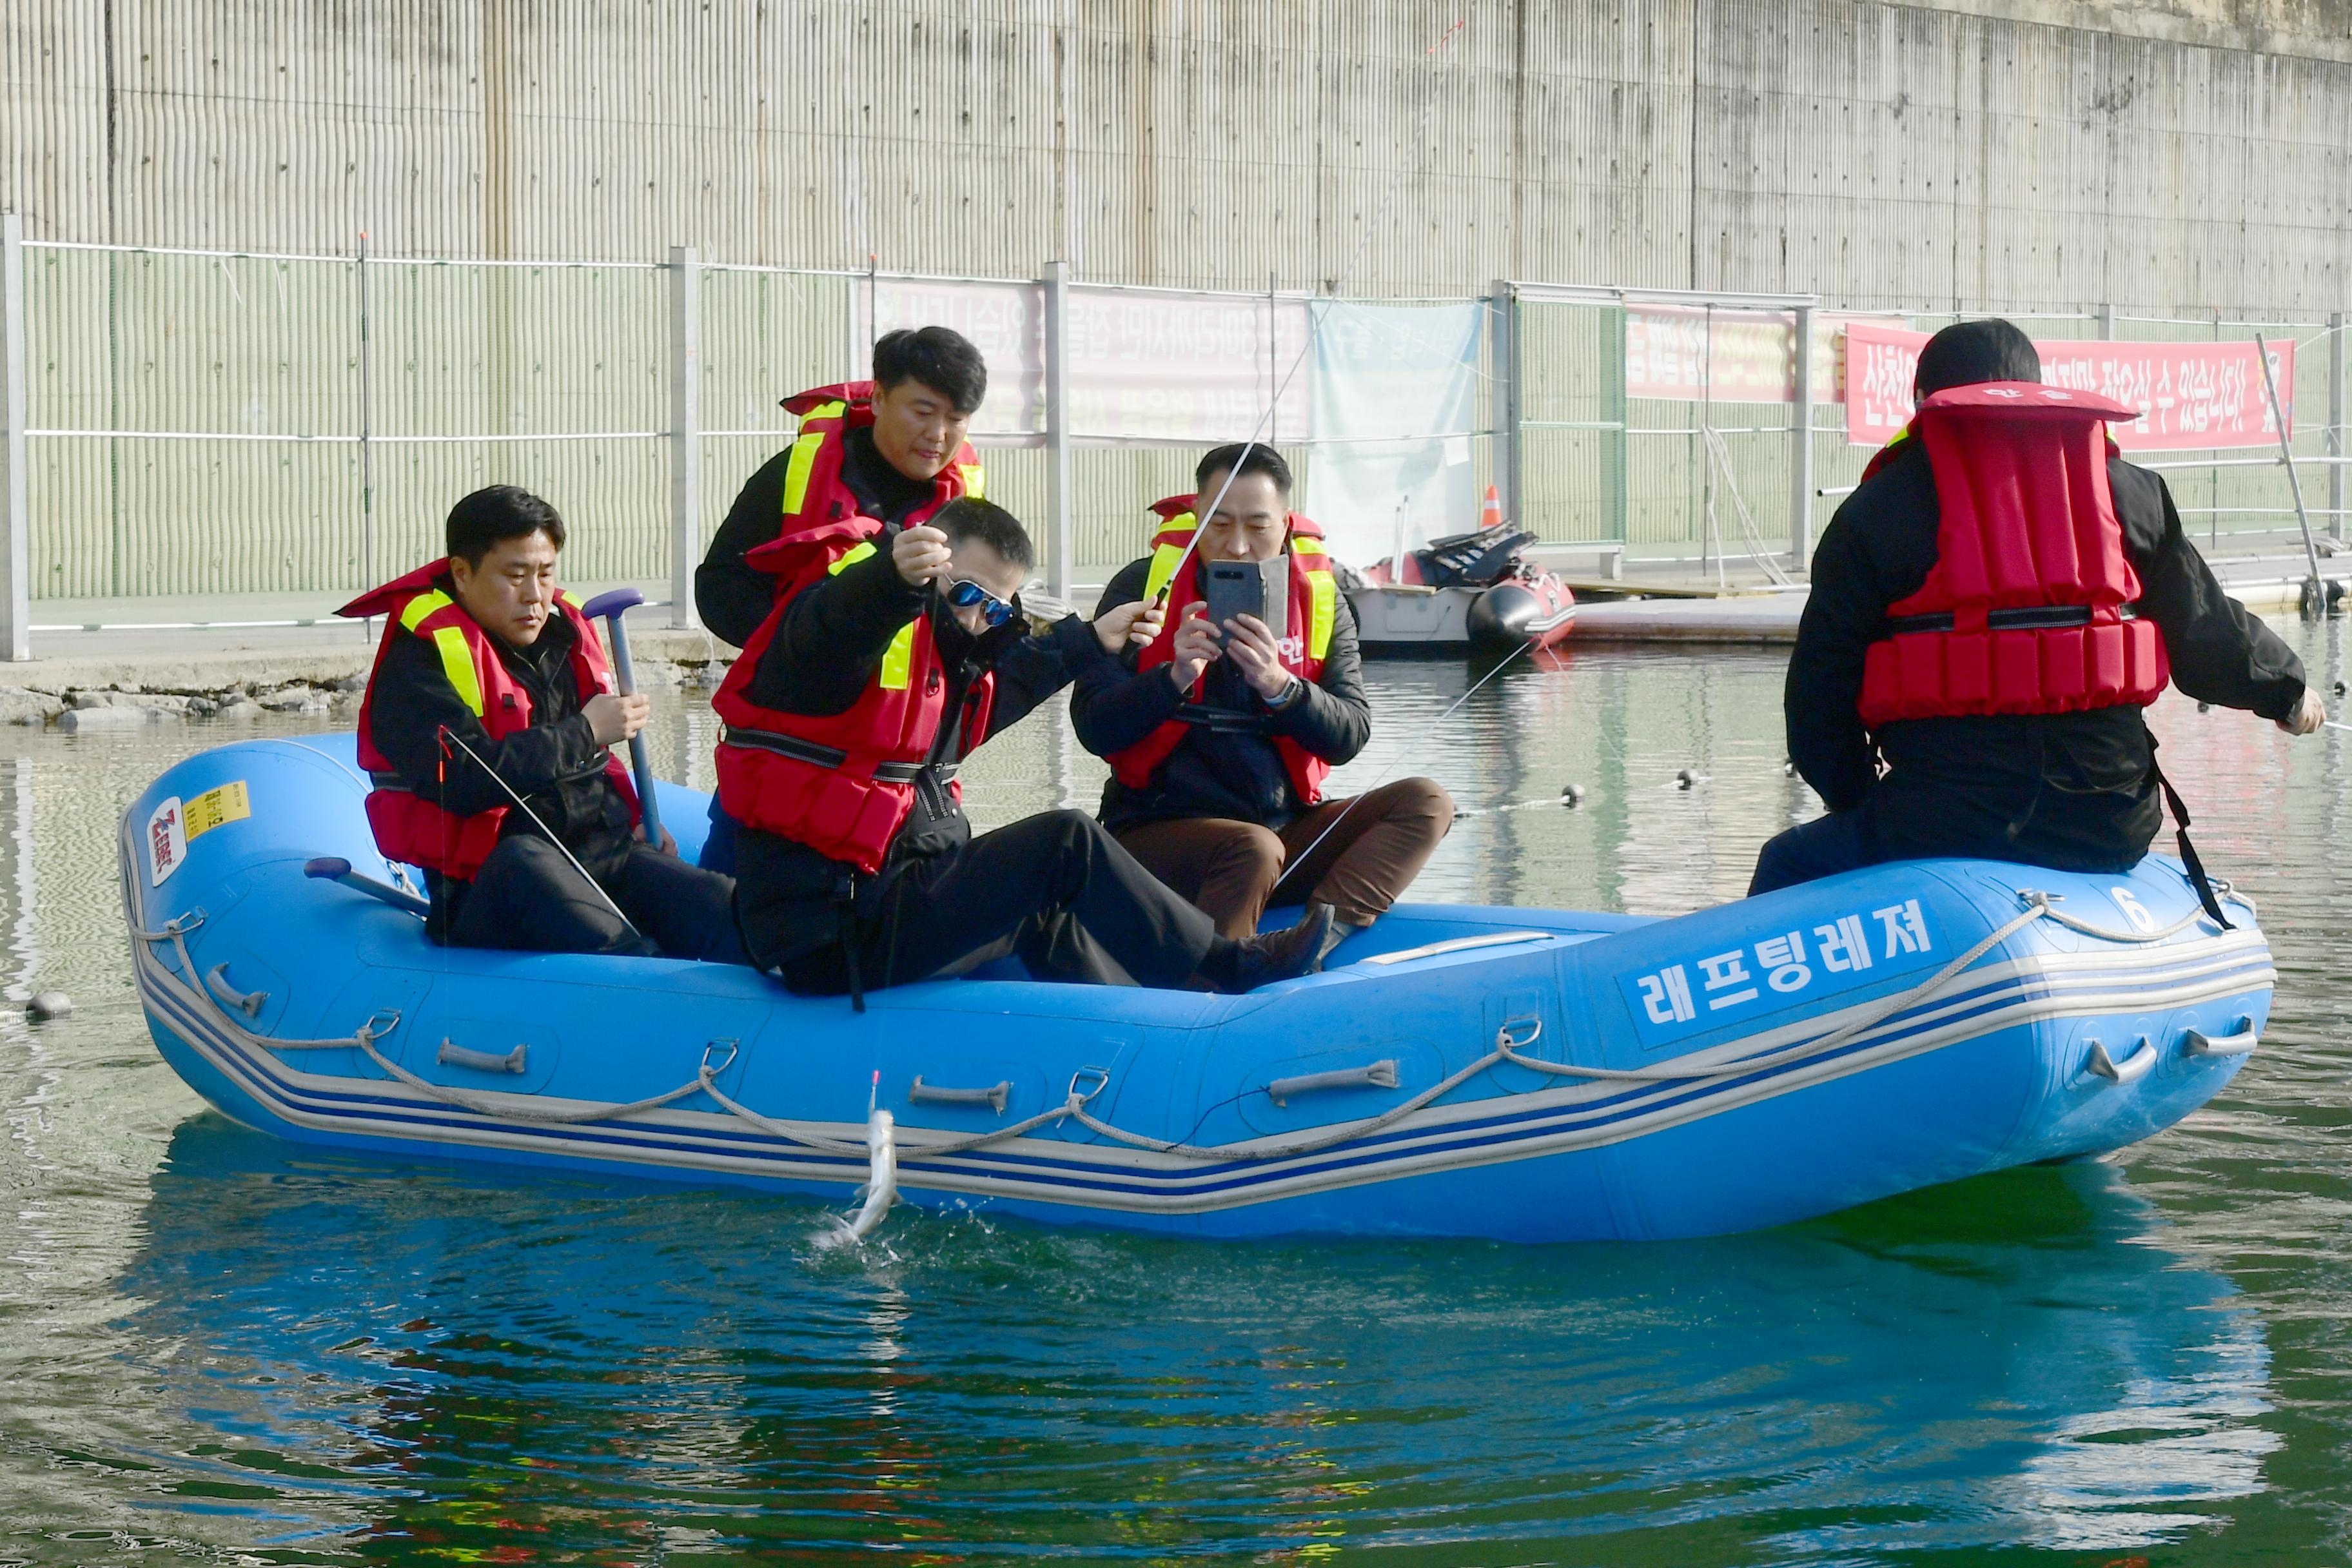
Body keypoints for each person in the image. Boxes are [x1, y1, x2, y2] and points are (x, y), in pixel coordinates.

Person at [1754, 318, 2321, 902]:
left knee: (1787, 863)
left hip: (1941, 826)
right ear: (2037, 391)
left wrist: (1857, 802)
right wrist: (2288, 692)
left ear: (1925, 405)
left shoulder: (1875, 512)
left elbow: (1820, 696)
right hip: (2111, 824)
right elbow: (2207, 635)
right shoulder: (2131, 493)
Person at [717, 494, 1333, 1001]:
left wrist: (1091, 640)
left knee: (1045, 912)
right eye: (964, 596)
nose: (978, 620)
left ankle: (1160, 1026)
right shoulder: (828, 661)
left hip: (889, 901)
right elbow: (833, 625)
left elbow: (1009, 689)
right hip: (829, 936)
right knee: (1064, 840)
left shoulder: (938, 682)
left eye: (996, 609)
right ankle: (1228, 963)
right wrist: (889, 579)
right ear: (928, 573)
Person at [1070, 444, 1454, 952]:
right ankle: (1212, 977)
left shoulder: (1319, 596)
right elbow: (1093, 726)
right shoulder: (1145, 586)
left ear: (1287, 525)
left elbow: (1350, 734)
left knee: (1425, 801)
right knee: (1251, 849)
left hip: (1282, 832)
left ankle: (1316, 940)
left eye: (1258, 526)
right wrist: (1172, 677)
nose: (1238, 546)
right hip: (1158, 831)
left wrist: (1282, 687)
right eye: (1219, 524)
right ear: (1196, 518)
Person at [340, 485, 749, 962]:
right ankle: (647, 976)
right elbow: (462, 780)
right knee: (531, 866)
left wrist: (635, 819)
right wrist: (586, 730)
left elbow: (594, 764)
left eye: (546, 573)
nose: (535, 595)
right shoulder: (417, 664)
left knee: (728, 911)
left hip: (599, 857)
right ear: (462, 573)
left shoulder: (561, 638)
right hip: (494, 883)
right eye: (515, 576)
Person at [693, 327, 990, 872]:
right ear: (878, 398)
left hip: (896, 772)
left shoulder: (965, 505)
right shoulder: (797, 475)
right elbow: (716, 587)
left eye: (957, 419)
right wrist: (800, 647)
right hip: (787, 747)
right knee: (727, 904)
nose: (939, 434)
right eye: (923, 411)